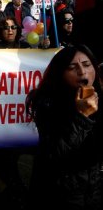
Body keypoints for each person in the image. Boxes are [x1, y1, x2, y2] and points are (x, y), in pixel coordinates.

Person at [25, 44, 103, 210]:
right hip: (61, 193)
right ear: (60, 73)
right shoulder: (47, 102)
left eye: (87, 65)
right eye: (72, 67)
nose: (82, 72)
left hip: (94, 190)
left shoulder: (99, 96)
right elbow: (54, 154)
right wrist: (82, 118)